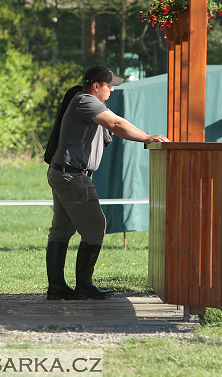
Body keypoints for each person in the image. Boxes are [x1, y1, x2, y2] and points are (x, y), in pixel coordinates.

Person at [43, 65, 169, 300]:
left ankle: (57, 288)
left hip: (64, 173)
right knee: (96, 227)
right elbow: (116, 124)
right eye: (109, 85)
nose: (112, 89)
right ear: (95, 86)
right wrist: (148, 137)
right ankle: (83, 285)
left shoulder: (88, 101)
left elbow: (114, 123)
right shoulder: (86, 101)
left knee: (61, 231)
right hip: (73, 176)